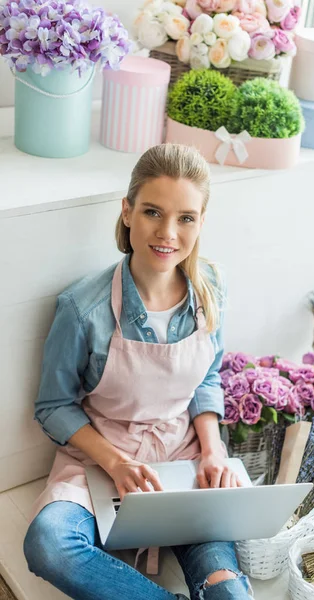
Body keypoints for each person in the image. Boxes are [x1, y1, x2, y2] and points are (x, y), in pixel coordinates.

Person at [23, 144, 253, 600]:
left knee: (230, 594)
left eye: (186, 217)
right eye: (152, 211)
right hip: (101, 460)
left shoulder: (212, 290)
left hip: (184, 460)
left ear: (201, 222)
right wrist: (115, 461)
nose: (167, 233)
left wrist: (212, 450)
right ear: (127, 211)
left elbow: (208, 377)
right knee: (49, 545)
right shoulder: (81, 308)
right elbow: (53, 406)